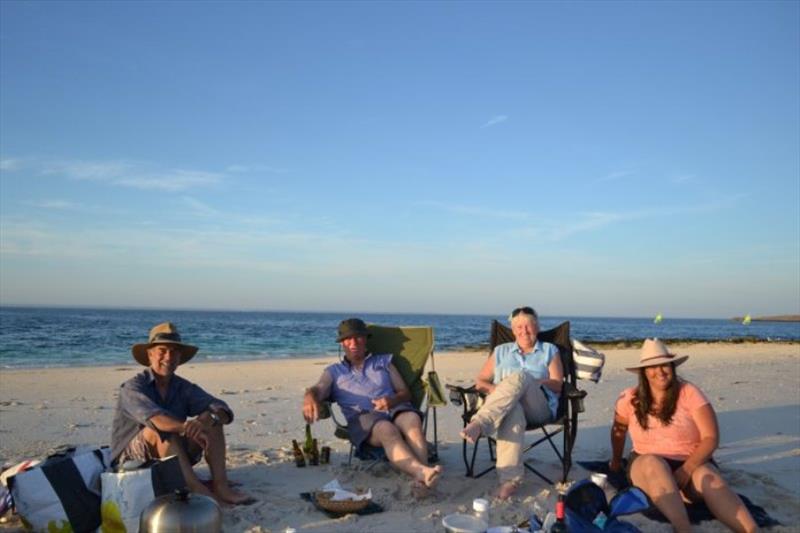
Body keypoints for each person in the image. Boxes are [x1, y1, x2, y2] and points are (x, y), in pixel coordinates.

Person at [609, 338, 758, 533]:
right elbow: (618, 432)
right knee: (653, 464)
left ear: (673, 367)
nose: (660, 371)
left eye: (665, 365)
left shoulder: (689, 392)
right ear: (644, 372)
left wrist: (686, 470)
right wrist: (616, 461)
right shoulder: (629, 398)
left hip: (691, 463)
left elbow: (711, 437)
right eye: (653, 367)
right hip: (646, 466)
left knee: (710, 478)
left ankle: (752, 530)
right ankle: (683, 529)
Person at [111, 322, 253, 505]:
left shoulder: (182, 387)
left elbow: (222, 408)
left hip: (174, 454)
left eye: (174, 352)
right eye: (162, 350)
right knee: (160, 430)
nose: (168, 357)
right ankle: (195, 487)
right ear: (150, 354)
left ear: (180, 357)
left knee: (213, 422)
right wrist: (186, 427)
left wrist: (207, 419)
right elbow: (157, 420)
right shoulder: (133, 387)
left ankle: (221, 486)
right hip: (132, 460)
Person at [302, 318, 442, 490]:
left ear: (365, 339)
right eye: (348, 339)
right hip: (365, 420)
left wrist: (392, 400)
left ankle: (423, 477)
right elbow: (319, 388)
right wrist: (310, 396)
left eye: (358, 337)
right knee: (387, 430)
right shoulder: (333, 372)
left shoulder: (384, 362)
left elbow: (405, 393)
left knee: (413, 419)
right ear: (342, 343)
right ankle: (422, 472)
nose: (354, 343)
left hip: (395, 408)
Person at [460, 306, 563, 499]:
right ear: (513, 330)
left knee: (521, 377)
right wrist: (499, 391)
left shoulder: (549, 350)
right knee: (512, 408)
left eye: (528, 325)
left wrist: (528, 383)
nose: (524, 331)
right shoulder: (501, 351)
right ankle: (509, 481)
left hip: (538, 407)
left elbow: (557, 384)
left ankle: (479, 423)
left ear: (537, 326)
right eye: (519, 327)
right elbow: (480, 381)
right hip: (504, 407)